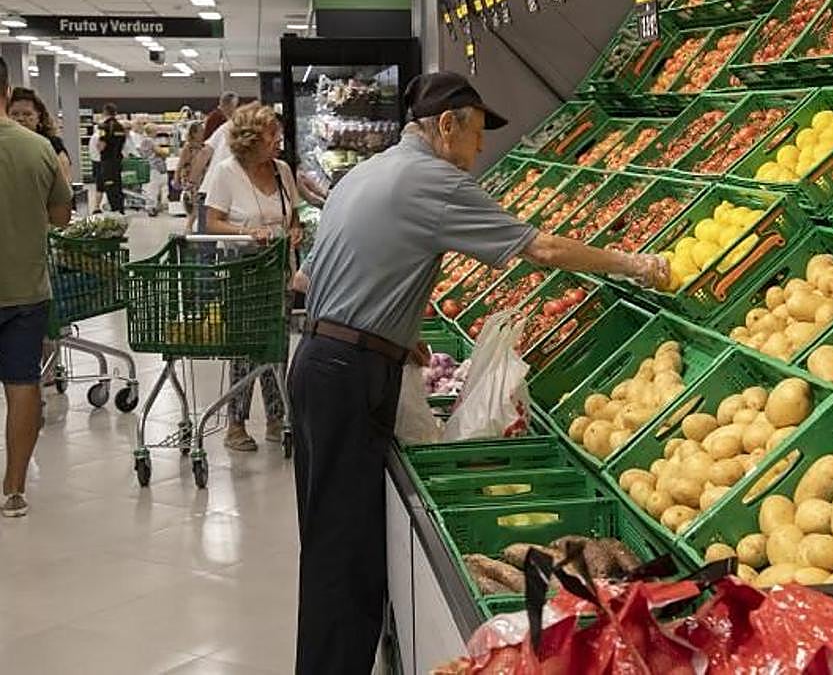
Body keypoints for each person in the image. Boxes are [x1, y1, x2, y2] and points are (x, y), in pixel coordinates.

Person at [288, 72, 669, 674]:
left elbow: (310, 278)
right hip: (349, 375)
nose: (481, 147)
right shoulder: (434, 179)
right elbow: (542, 249)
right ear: (446, 126)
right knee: (346, 558)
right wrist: (636, 265)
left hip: (317, 363)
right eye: (476, 133)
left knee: (329, 545)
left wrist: (393, 328)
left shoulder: (367, 173)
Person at [203, 106, 302, 452]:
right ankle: (236, 424)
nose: (278, 140)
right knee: (244, 348)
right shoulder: (226, 173)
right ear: (251, 140)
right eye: (272, 134)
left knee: (276, 346)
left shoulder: (282, 171)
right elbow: (212, 223)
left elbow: (294, 216)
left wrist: (295, 231)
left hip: (278, 269)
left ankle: (277, 417)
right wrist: (247, 232)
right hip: (241, 270)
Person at [0, 56, 74, 518]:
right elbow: (61, 215)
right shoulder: (39, 148)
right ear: (7, 92)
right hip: (26, 288)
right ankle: (14, 490)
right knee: (23, 384)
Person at [8, 88, 71, 187]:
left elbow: (65, 182)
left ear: (38, 116)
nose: (20, 118)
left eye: (27, 114)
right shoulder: (5, 144)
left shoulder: (52, 144)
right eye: (14, 114)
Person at [95, 103, 127, 214]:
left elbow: (101, 145)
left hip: (107, 161)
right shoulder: (120, 127)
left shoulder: (104, 126)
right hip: (118, 160)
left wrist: (99, 148)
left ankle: (115, 210)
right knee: (117, 185)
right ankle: (120, 209)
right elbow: (123, 143)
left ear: (104, 112)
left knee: (109, 185)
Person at [176, 121, 207, 232]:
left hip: (201, 178)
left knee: (198, 203)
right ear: (193, 133)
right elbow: (180, 164)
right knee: (194, 204)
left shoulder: (205, 146)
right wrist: (176, 179)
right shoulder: (188, 147)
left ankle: (191, 227)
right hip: (190, 178)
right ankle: (189, 227)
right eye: (200, 131)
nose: (203, 133)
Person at [134, 119, 169, 216]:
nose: (157, 132)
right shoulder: (148, 140)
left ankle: (156, 205)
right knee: (153, 188)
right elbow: (160, 151)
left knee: (157, 187)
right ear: (152, 131)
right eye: (156, 130)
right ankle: (151, 208)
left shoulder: (148, 140)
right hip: (153, 167)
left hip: (156, 167)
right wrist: (167, 152)